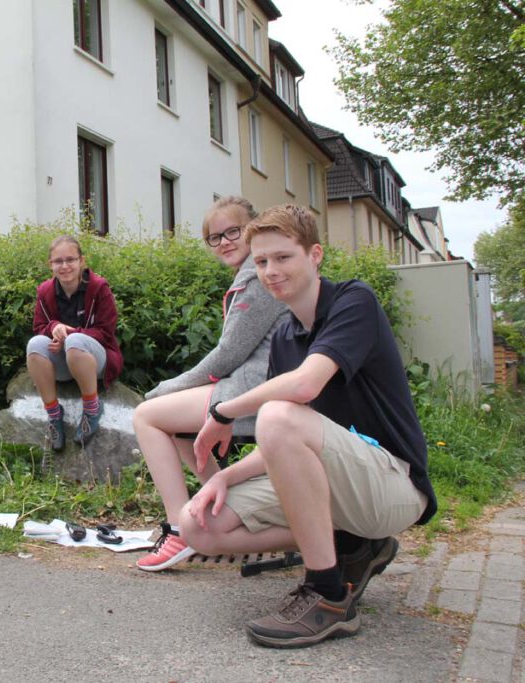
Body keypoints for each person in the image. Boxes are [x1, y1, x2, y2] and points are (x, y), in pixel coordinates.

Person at [181, 204, 437, 648]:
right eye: (261, 261)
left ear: (315, 255)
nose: (270, 271)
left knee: (277, 414)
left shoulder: (353, 301)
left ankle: (329, 596)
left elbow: (303, 389)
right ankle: (354, 545)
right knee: (199, 525)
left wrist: (222, 412)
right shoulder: (285, 337)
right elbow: (286, 445)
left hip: (393, 485)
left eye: (283, 257)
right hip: (337, 479)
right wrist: (224, 478)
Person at [132, 197, 288, 572]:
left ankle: (178, 529)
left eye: (233, 231)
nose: (224, 242)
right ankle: (219, 507)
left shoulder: (255, 279)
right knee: (175, 424)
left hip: (257, 389)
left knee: (147, 416)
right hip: (258, 383)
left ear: (252, 229)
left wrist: (168, 387)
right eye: (214, 237)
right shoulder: (253, 274)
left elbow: (227, 356)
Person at [27, 235, 123, 450]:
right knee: (34, 344)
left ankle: (92, 409)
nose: (65, 266)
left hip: (95, 361)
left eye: (70, 259)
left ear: (82, 261)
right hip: (64, 362)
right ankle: (54, 414)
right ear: (50, 264)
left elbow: (106, 332)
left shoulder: (98, 287)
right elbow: (39, 326)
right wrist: (53, 328)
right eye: (58, 261)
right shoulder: (45, 291)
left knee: (75, 341)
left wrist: (69, 335)